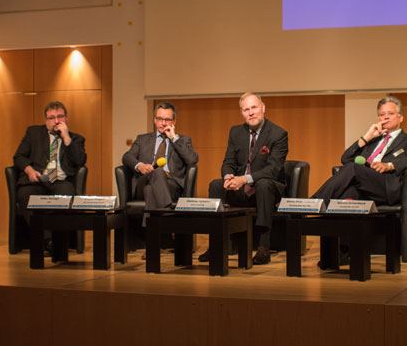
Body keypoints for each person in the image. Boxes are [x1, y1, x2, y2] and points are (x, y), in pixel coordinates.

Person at [311, 96, 407, 265]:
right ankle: (339, 254)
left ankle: (315, 203)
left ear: (401, 117)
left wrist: (390, 165)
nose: (385, 117)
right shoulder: (372, 141)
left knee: (353, 168)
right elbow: (345, 158)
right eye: (382, 115)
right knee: (347, 195)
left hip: (387, 187)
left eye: (390, 113)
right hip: (364, 187)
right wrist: (366, 137)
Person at [201, 92, 288, 265]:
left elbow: (273, 169)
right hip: (241, 188)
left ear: (263, 107)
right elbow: (228, 162)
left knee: (263, 184)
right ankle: (216, 244)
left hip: (266, 190)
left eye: (254, 107)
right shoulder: (235, 132)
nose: (251, 113)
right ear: (242, 113)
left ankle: (264, 247)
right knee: (216, 185)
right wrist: (228, 177)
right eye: (246, 109)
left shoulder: (278, 134)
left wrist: (245, 179)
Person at [13, 101, 87, 254]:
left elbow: (79, 161)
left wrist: (66, 138)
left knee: (67, 196)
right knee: (24, 195)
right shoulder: (33, 133)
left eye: (60, 117)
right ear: (46, 120)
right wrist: (29, 170)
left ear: (66, 118)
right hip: (37, 180)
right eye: (51, 118)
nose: (56, 121)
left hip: (60, 180)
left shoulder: (76, 139)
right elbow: (18, 156)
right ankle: (48, 240)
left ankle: (59, 240)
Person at [122, 102, 199, 211]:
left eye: (167, 120)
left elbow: (192, 160)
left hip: (171, 185)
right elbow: (127, 157)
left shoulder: (183, 141)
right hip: (144, 181)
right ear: (154, 120)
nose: (163, 123)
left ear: (174, 121)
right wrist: (140, 166)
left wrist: (173, 138)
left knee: (150, 190)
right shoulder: (142, 139)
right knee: (157, 173)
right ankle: (167, 215)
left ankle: (152, 226)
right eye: (159, 119)